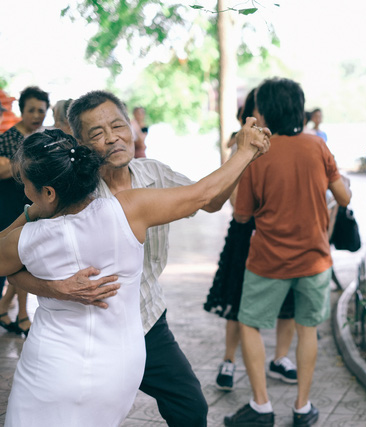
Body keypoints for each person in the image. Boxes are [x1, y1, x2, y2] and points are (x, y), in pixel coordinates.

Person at [7, 90, 257, 426]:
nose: (112, 138)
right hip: (89, 336)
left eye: (118, 125)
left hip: (147, 320)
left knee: (190, 408)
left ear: (133, 127)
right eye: (96, 133)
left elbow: (207, 200)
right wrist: (57, 288)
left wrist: (240, 161)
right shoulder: (68, 194)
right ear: (78, 144)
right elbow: (10, 264)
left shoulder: (153, 174)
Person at [224, 77, 351, 427]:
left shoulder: (256, 155)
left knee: (250, 324)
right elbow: (344, 197)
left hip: (268, 260)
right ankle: (302, 408)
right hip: (314, 259)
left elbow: (242, 215)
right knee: (307, 329)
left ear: (262, 111)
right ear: (299, 109)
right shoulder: (317, 147)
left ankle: (261, 407)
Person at [204, 88, 298, 391]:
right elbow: (231, 196)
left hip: (283, 228)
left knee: (290, 298)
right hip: (246, 230)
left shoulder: (291, 143)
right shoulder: (242, 144)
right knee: (237, 296)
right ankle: (229, 360)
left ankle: (280, 358)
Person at [0, 86, 49, 336]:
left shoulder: (42, 137)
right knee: (11, 262)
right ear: (22, 111)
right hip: (7, 207)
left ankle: (14, 313)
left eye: (41, 110)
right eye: (31, 110)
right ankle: (18, 315)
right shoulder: (8, 138)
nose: (36, 115)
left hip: (31, 207)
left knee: (24, 260)